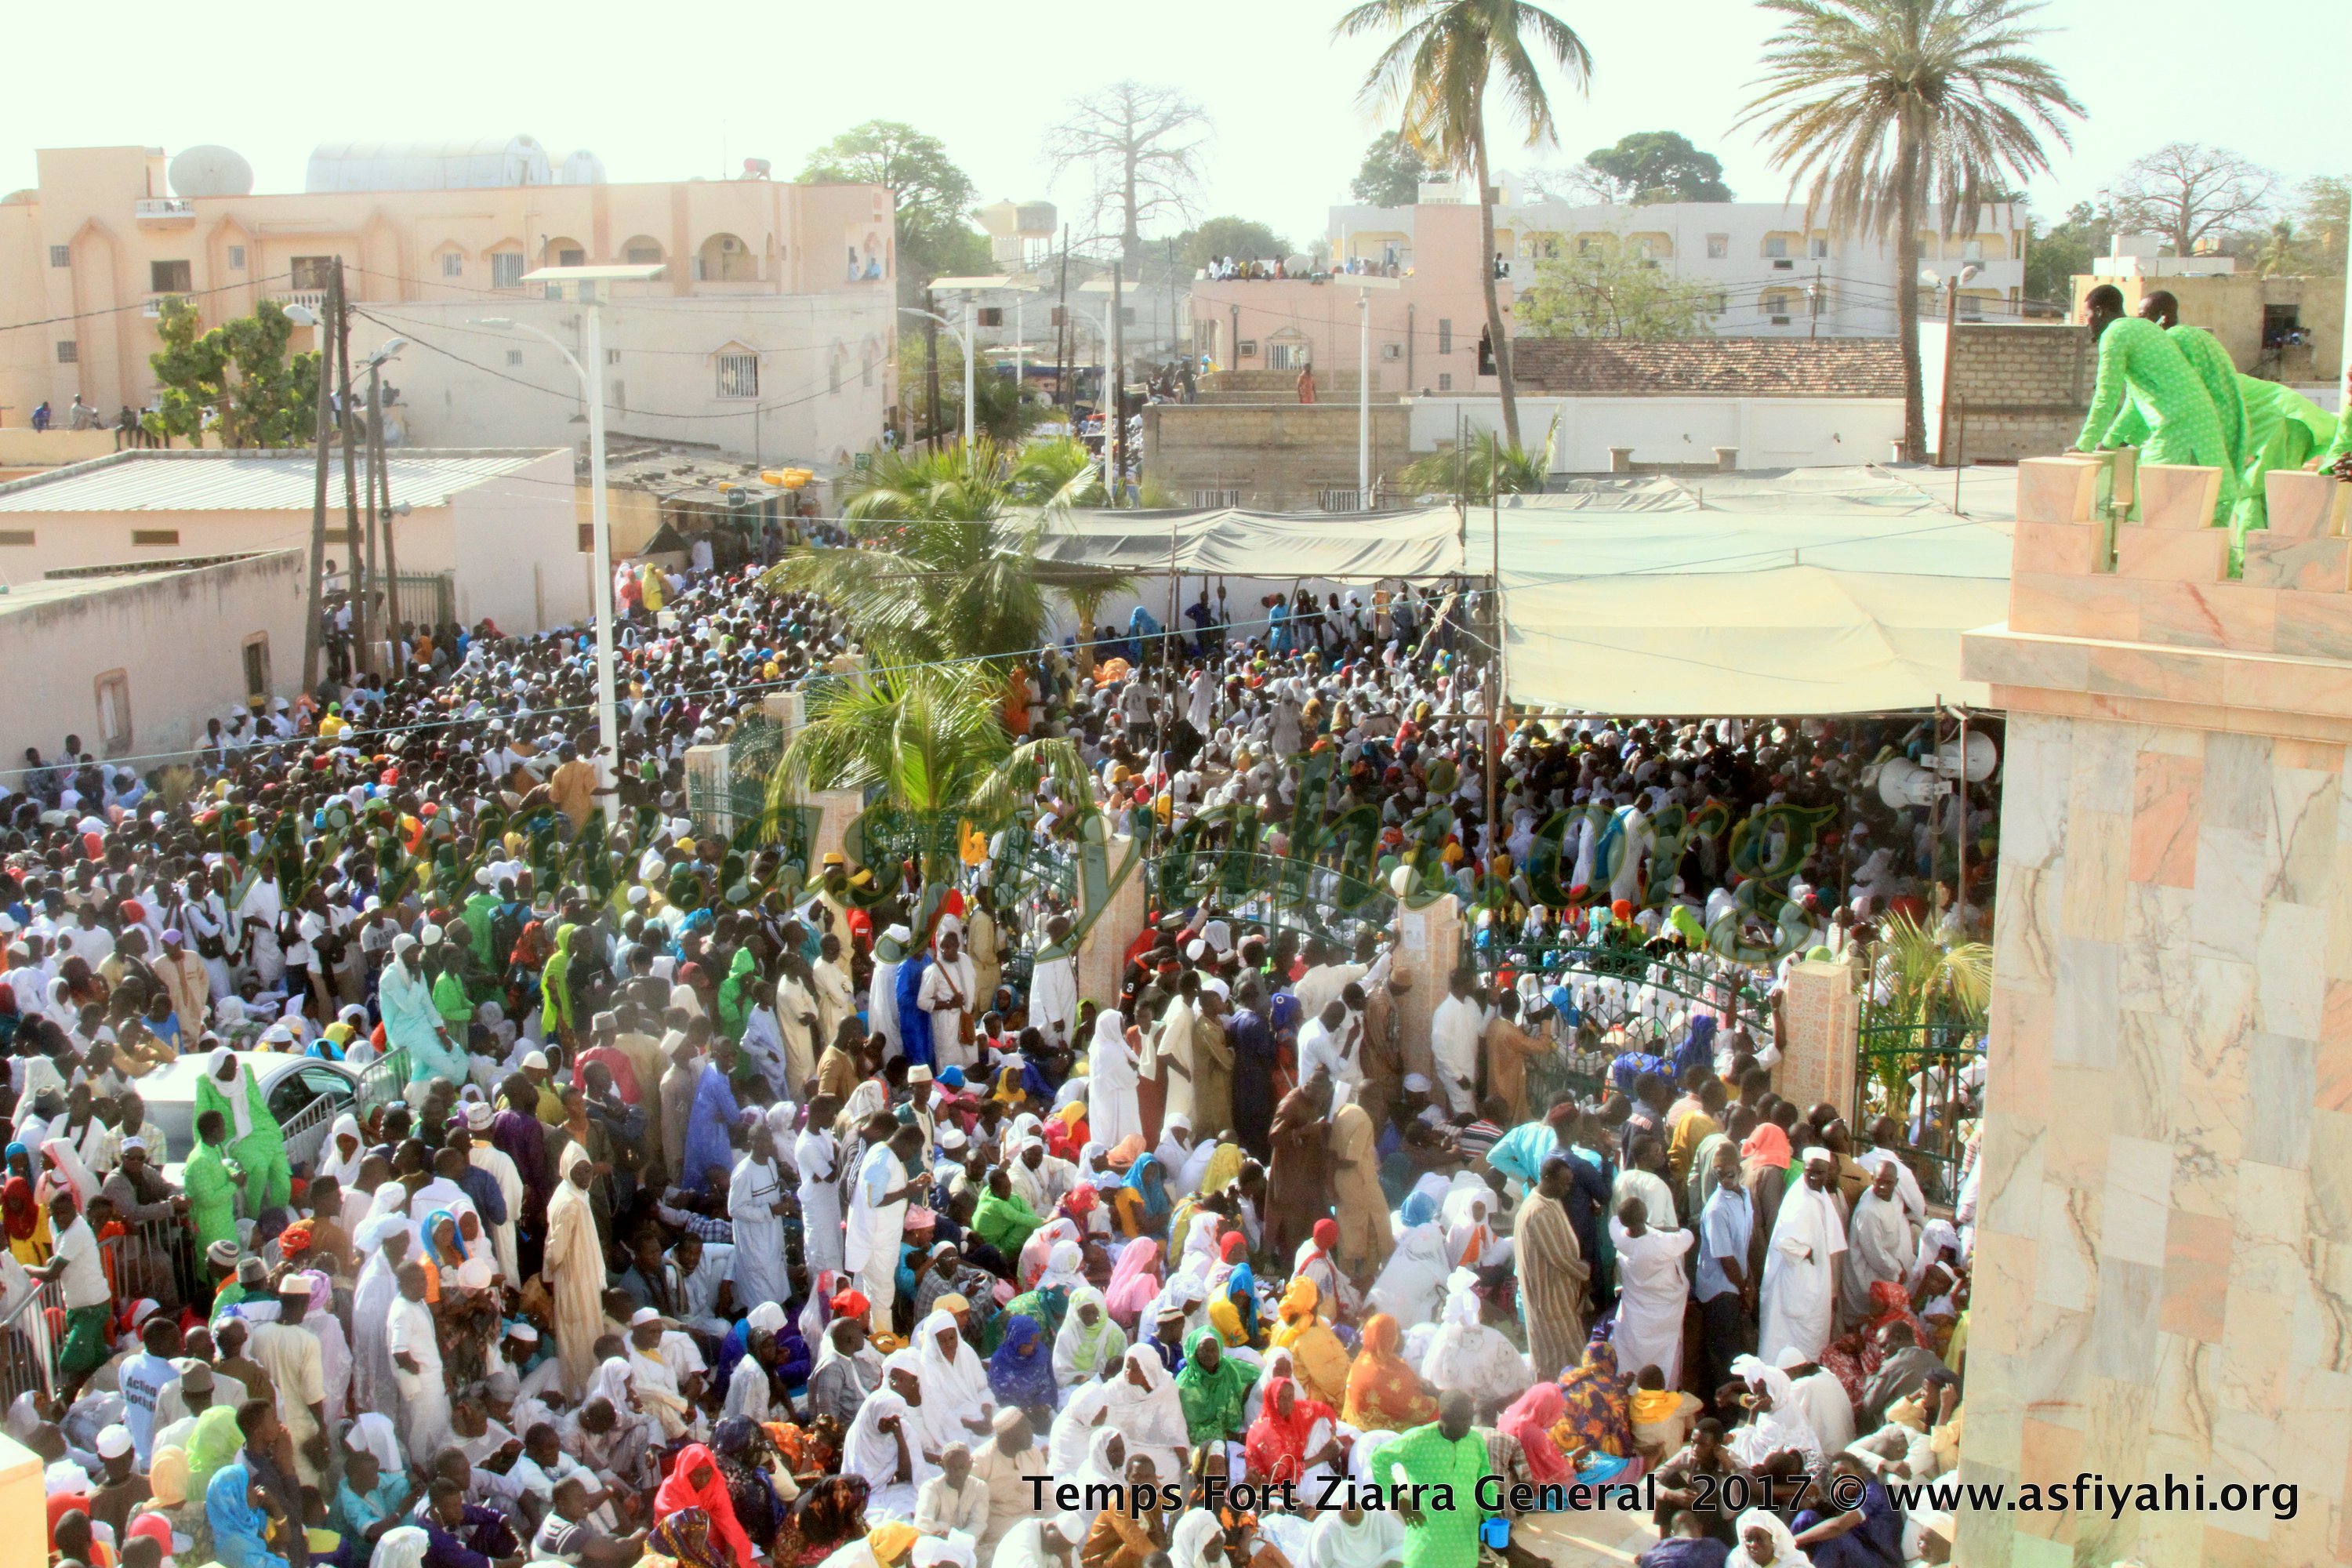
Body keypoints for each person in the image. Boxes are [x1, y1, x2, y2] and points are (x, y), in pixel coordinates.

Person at [1364, 1392, 1490, 1568]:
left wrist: (1493, 1514)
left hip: (1464, 1543)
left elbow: (1485, 1479)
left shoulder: (1475, 1441)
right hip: (1427, 1543)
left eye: (1471, 1418)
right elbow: (1379, 1458)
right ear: (1445, 1416)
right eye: (1463, 1419)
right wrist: (1398, 1500)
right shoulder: (1417, 1440)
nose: (1469, 1424)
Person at [1759, 1149, 1846, 1366]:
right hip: (1796, 1283)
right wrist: (1807, 1253)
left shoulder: (1819, 1197)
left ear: (1829, 1173)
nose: (1815, 1178)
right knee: (1787, 1347)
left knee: (1810, 1345)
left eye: (1820, 1173)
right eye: (1810, 1172)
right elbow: (1784, 1243)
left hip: (1813, 1286)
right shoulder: (1801, 1199)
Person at [1515, 1156, 1591, 1382]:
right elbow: (1559, 1257)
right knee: (1561, 1364)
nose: (1568, 1189)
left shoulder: (1551, 1201)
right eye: (1564, 1183)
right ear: (1547, 1179)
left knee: (1568, 1360)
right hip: (1549, 1300)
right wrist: (1585, 1272)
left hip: (1560, 1295)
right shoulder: (1538, 1212)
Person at [1609, 1196, 1696, 1389]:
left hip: (1634, 1314)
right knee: (1666, 1356)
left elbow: (1615, 1221)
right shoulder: (1661, 1243)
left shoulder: (1619, 1237)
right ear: (1645, 1216)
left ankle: (1630, 1395)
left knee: (1631, 1355)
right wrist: (1657, 1229)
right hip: (1664, 1314)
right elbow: (1687, 1235)